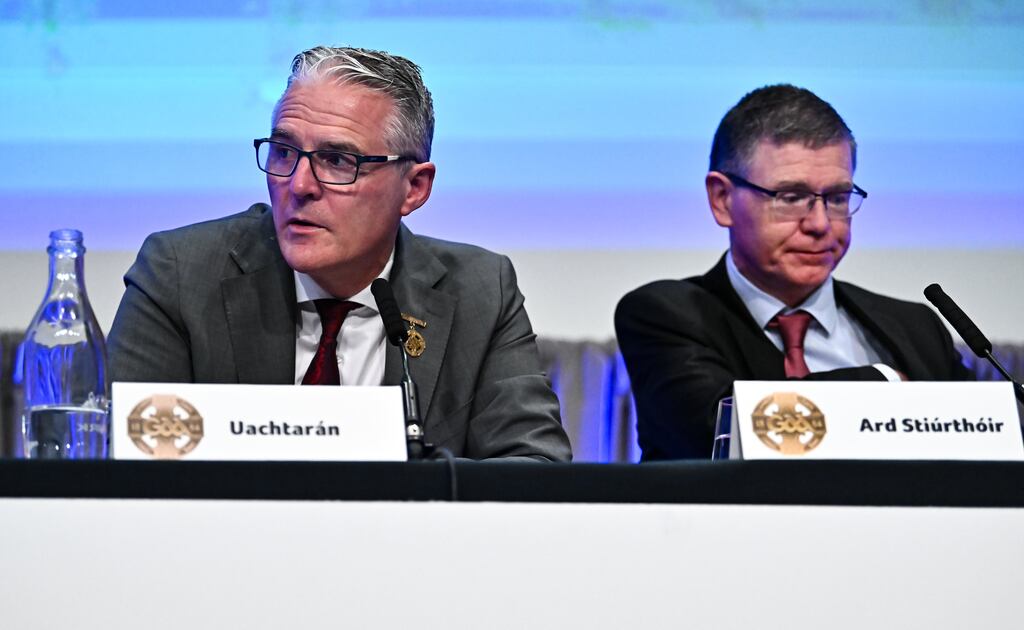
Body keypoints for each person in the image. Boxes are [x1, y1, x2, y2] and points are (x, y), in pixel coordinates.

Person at [108, 46, 571, 462]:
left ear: (414, 188)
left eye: (338, 160)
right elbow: (134, 460)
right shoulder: (180, 273)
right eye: (284, 151)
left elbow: (533, 469)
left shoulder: (479, 290)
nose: (300, 186)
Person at [615, 84, 970, 460]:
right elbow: (724, 432)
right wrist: (882, 384)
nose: (820, 223)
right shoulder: (666, 314)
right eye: (790, 197)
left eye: (836, 198)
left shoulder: (916, 328)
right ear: (722, 200)